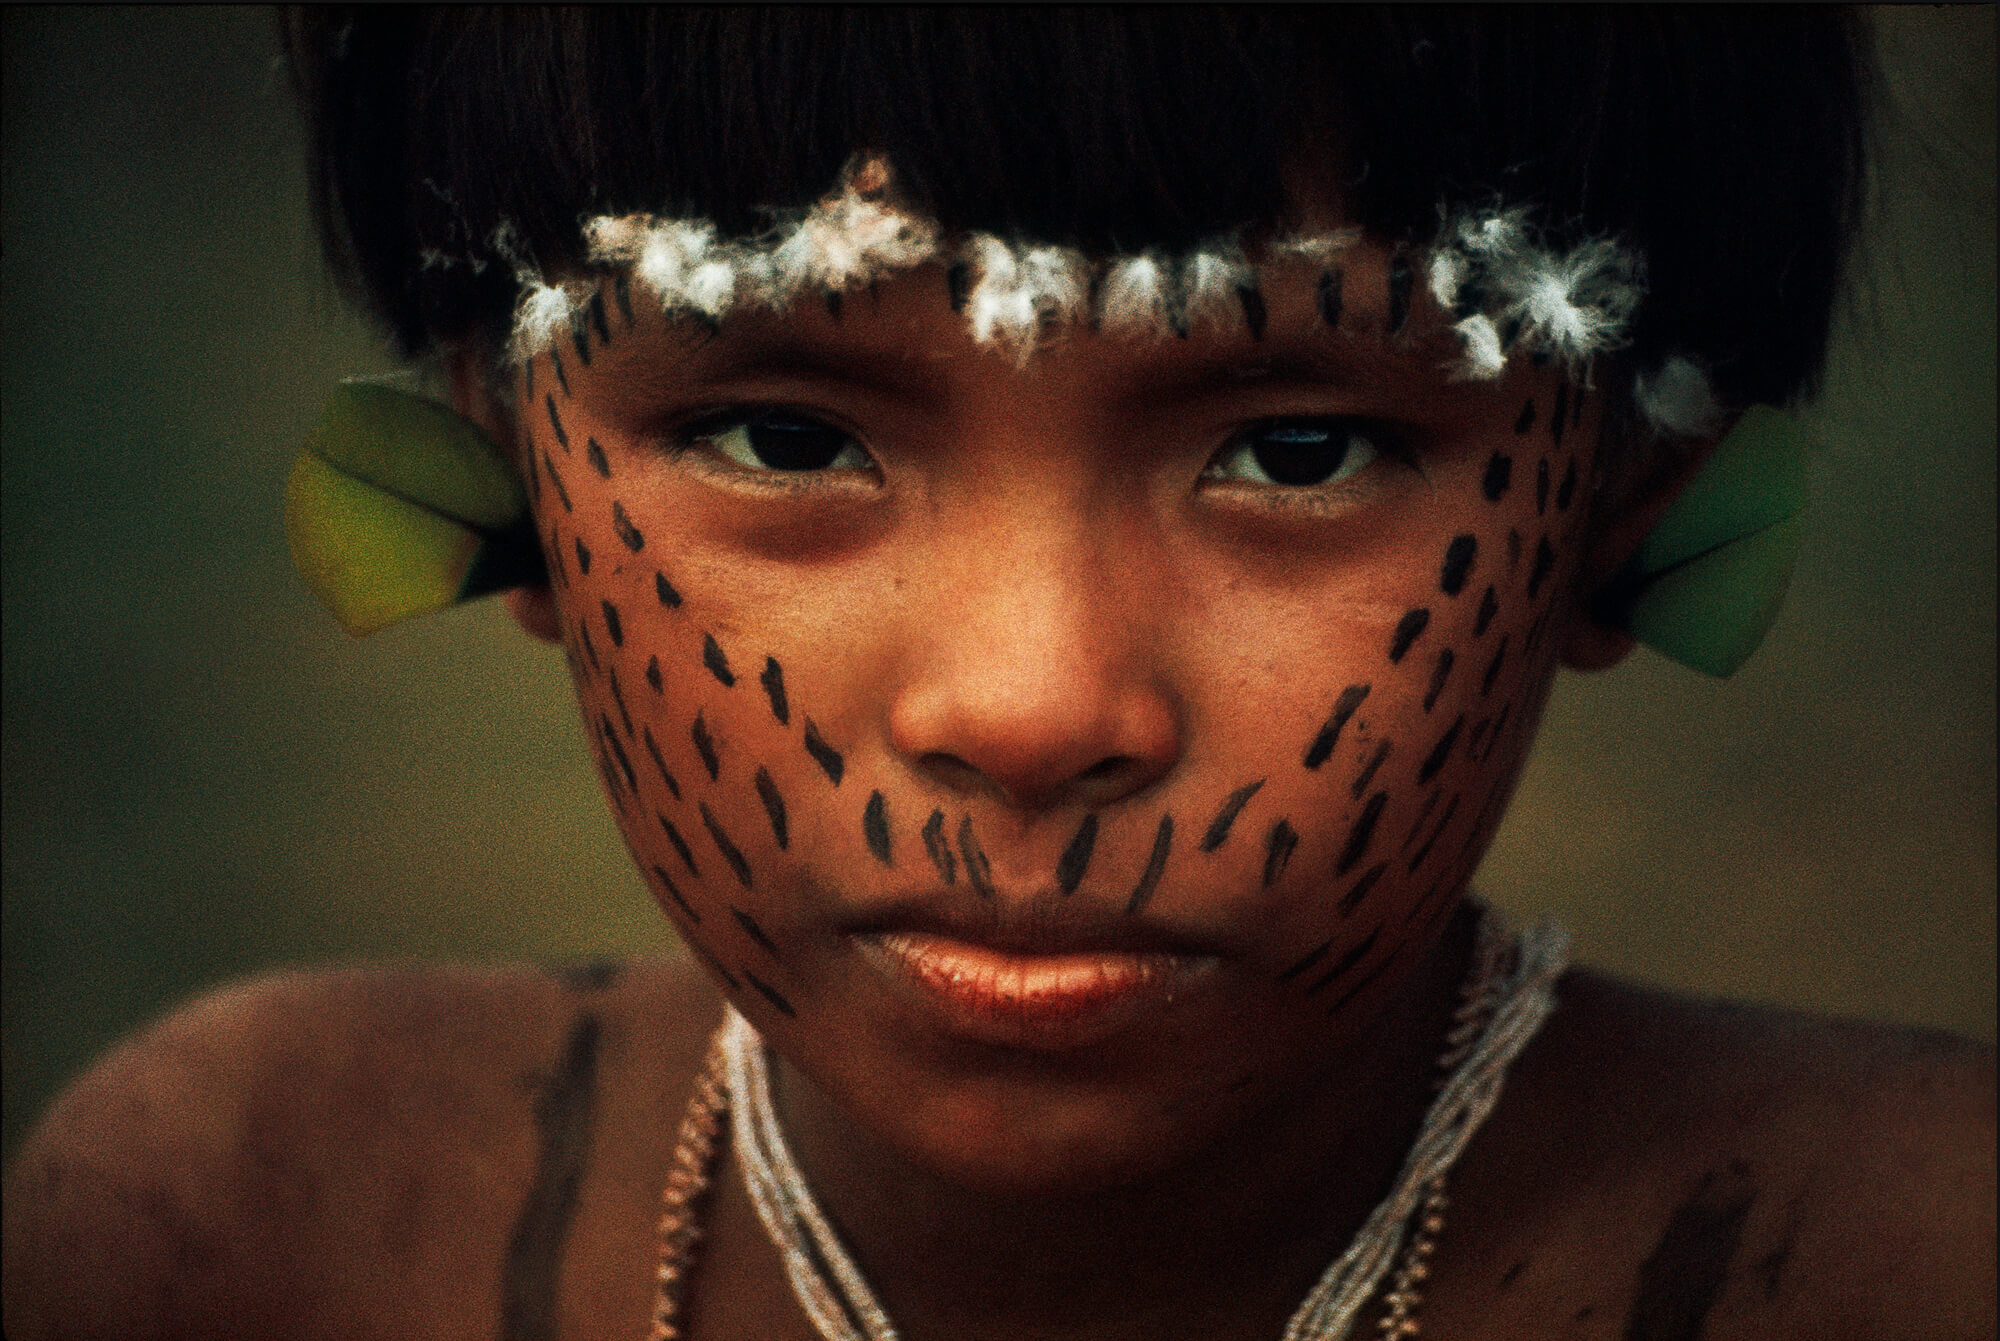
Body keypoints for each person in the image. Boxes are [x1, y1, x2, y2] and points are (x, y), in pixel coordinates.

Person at [5, 9, 1991, 1339]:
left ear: (1635, 505)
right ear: (492, 481)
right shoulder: (255, 1227)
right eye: (786, 435)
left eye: (1297, 449)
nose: (1032, 705)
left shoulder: (1918, 1260)